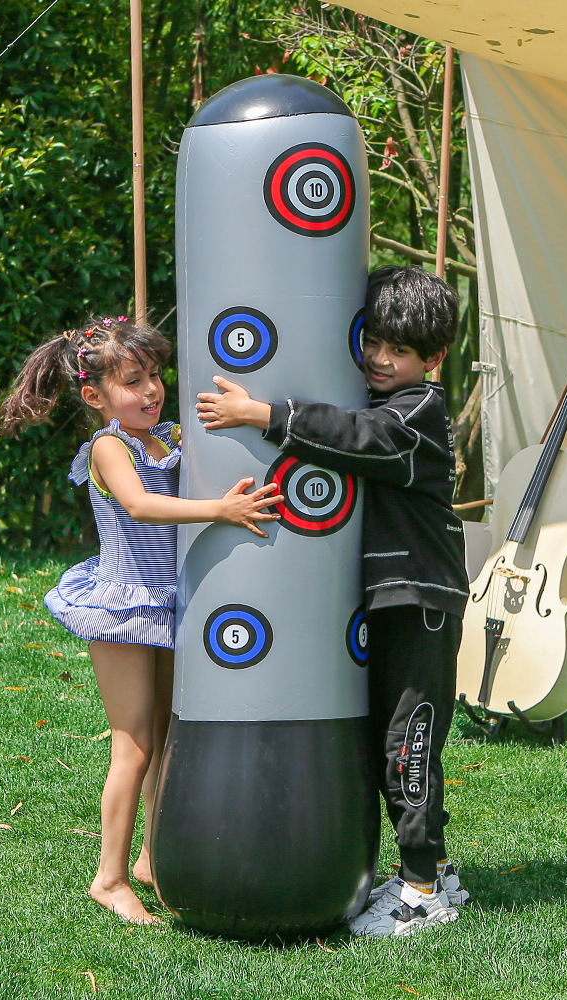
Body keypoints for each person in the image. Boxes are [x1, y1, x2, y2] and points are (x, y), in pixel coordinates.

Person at [195, 265, 471, 938]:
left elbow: (357, 438)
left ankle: (423, 889)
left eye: (398, 350)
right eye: (372, 341)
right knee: (386, 739)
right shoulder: (383, 397)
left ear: (433, 359)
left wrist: (264, 414)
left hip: (420, 599)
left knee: (408, 742)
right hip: (389, 600)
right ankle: (433, 869)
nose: (379, 357)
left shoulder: (418, 413)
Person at [0, 315, 282, 925]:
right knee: (133, 745)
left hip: (170, 605)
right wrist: (221, 509)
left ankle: (152, 857)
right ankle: (110, 878)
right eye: (132, 381)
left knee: (167, 736)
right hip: (124, 606)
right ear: (94, 396)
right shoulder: (110, 447)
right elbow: (140, 504)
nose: (151, 389)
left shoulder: (169, 436)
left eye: (154, 375)